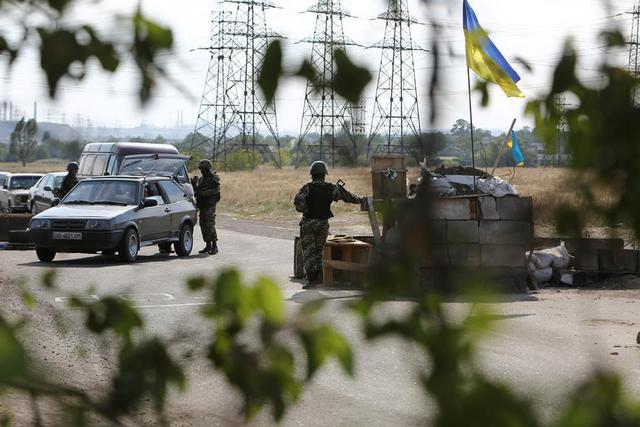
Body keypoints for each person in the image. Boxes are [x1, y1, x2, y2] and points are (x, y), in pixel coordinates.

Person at [294, 161, 364, 289]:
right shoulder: (332, 188)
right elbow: (348, 196)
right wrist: (361, 199)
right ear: (324, 174)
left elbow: (298, 202)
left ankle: (312, 281)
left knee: (309, 251)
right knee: (320, 250)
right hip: (322, 223)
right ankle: (319, 278)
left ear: (312, 174)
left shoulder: (306, 188)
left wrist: (305, 209)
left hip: (308, 223)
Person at [193, 159, 221, 255]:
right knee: (203, 225)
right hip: (203, 205)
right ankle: (208, 245)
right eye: (201, 169)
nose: (202, 171)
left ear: (208, 168)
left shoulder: (214, 179)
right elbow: (197, 192)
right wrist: (194, 186)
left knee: (209, 225)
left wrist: (201, 193)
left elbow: (214, 191)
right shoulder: (201, 180)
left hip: (210, 205)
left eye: (204, 169)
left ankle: (214, 246)